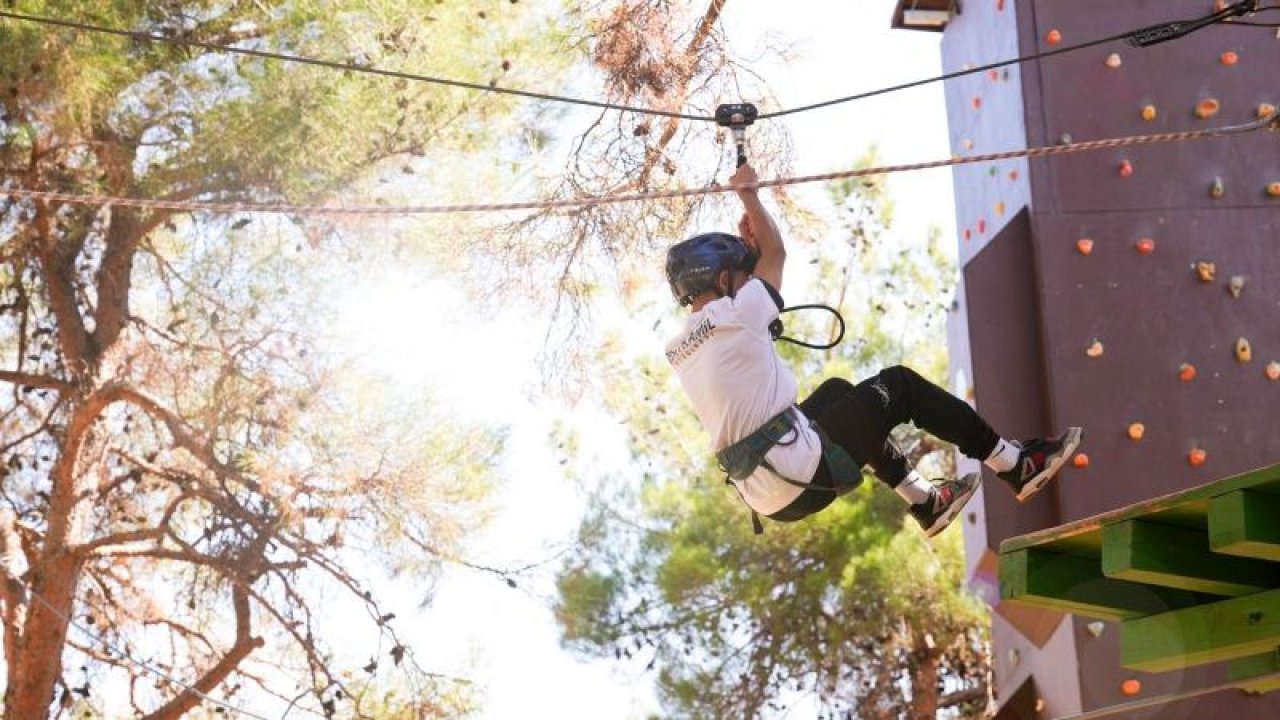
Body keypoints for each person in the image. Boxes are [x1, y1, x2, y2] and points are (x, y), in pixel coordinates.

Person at [663, 163, 1082, 537]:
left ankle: (926, 502)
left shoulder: (682, 346)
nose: (749, 279)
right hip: (801, 474)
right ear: (721, 281)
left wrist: (748, 256)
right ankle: (1015, 465)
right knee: (900, 387)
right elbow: (776, 253)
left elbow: (743, 337)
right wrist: (748, 194)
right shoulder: (735, 315)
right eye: (741, 273)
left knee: (836, 393)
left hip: (768, 492)